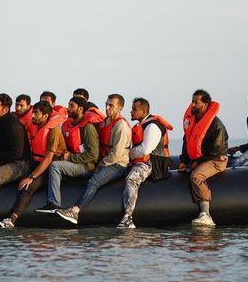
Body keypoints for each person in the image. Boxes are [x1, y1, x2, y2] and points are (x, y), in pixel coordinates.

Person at [55, 94, 131, 225]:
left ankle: (75, 211)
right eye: (106, 104)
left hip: (118, 164)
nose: (107, 108)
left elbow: (116, 155)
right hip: (104, 160)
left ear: (120, 108)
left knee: (93, 181)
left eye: (111, 105)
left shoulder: (121, 127)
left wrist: (99, 165)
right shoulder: (105, 121)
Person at [0, 101, 68, 227]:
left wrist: (31, 177)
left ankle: (12, 219)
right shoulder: (34, 126)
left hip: (50, 166)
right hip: (35, 161)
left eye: (36, 113)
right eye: (33, 112)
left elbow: (48, 159)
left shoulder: (53, 131)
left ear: (45, 116)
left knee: (28, 187)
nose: (32, 116)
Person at [35, 96, 101, 213]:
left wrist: (70, 157)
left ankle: (54, 203)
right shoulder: (69, 125)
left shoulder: (88, 128)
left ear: (80, 109)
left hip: (86, 166)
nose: (68, 108)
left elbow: (93, 155)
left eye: (72, 106)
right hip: (73, 162)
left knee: (55, 166)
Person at [117, 98, 174, 229]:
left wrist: (129, 154)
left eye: (134, 109)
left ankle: (128, 217)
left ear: (143, 112)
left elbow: (146, 149)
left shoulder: (152, 126)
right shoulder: (142, 124)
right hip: (142, 160)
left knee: (132, 179)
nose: (131, 112)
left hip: (153, 163)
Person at [179, 89, 229, 227]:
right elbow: (187, 140)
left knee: (196, 176)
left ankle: (206, 215)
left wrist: (198, 163)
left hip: (216, 159)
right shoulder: (193, 121)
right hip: (202, 158)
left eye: (196, 102)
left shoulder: (216, 125)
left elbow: (216, 150)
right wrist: (184, 161)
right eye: (192, 102)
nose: (193, 105)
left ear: (205, 104)